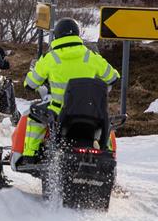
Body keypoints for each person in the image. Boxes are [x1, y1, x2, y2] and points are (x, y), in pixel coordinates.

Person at [17, 17, 119, 165]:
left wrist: (33, 79)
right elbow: (113, 77)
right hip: (91, 111)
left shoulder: (51, 58)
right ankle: (107, 154)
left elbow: (30, 84)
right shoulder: (90, 56)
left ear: (57, 35)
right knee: (105, 125)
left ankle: (30, 155)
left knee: (34, 118)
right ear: (77, 34)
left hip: (60, 112)